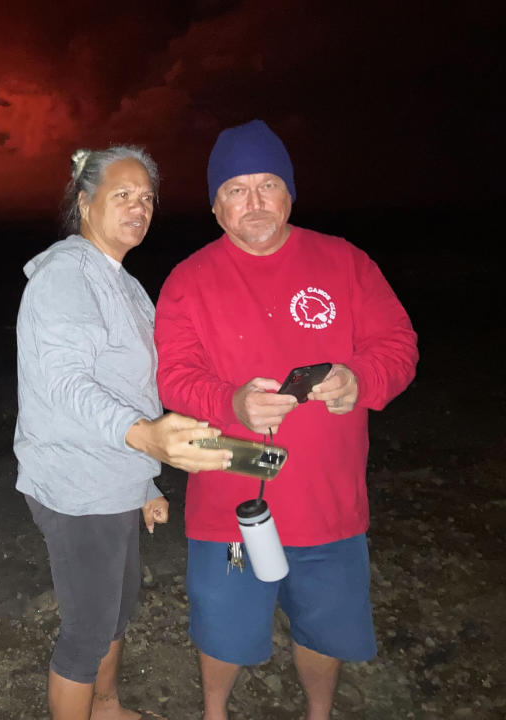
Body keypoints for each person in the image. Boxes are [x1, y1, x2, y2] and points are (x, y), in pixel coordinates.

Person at [154, 119, 418, 720]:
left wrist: (364, 380)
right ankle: (214, 713)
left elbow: (397, 343)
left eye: (267, 184)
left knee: (325, 628)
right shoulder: (188, 281)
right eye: (237, 189)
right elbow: (173, 375)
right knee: (222, 626)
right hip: (228, 502)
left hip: (330, 503)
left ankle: (317, 714)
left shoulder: (345, 262)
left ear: (289, 193)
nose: (254, 202)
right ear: (216, 205)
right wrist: (231, 402)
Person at [15, 146, 233, 720]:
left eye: (147, 198)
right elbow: (65, 382)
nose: (140, 208)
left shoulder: (127, 285)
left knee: (117, 609)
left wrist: (143, 485)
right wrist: (146, 440)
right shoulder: (65, 276)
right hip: (74, 486)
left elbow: (133, 389)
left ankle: (106, 708)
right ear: (85, 203)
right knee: (88, 630)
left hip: (114, 480)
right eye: (122, 195)